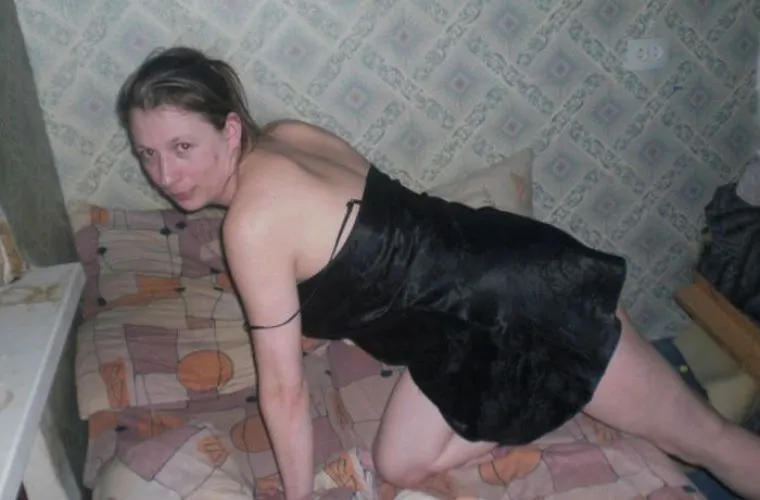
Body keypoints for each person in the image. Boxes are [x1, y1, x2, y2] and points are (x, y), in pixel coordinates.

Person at [116, 46, 760, 500]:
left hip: (528, 300)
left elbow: (283, 394)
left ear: (229, 130)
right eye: (148, 154)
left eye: (182, 147)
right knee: (400, 462)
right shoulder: (290, 133)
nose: (165, 175)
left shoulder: (251, 226)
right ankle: (542, 398)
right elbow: (367, 249)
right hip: (463, 322)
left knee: (708, 441)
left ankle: (560, 383)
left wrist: (297, 496)